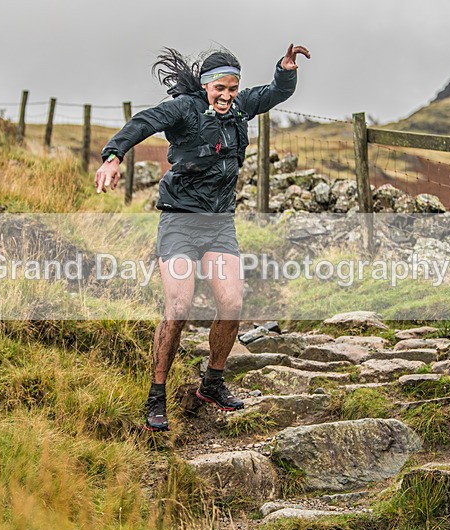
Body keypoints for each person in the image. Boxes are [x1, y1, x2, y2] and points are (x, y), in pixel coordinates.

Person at [95, 43, 310, 431]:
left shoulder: (242, 106)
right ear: (206, 86)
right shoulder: (184, 109)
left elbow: (278, 93)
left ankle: (212, 382)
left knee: (232, 303)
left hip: (219, 225)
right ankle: (156, 395)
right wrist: (114, 156)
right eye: (220, 89)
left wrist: (285, 68)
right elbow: (143, 122)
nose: (227, 95)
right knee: (178, 307)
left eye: (233, 88)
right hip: (179, 221)